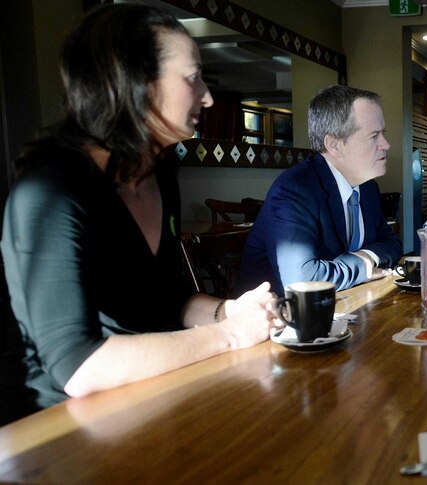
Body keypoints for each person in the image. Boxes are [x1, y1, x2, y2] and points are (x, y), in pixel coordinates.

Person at [0, 4, 280, 425]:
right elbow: (78, 367)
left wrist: (231, 310)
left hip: (149, 398)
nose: (206, 96)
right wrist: (230, 334)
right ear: (134, 83)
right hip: (55, 430)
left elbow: (169, 299)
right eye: (192, 77)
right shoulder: (52, 187)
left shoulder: (159, 172)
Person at [235, 85, 402, 294]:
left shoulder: (367, 187)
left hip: (345, 307)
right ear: (335, 145)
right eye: (374, 136)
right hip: (277, 317)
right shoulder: (295, 190)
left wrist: (366, 256)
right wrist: (362, 267)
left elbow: (392, 243)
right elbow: (302, 279)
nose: (385, 144)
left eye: (382, 134)